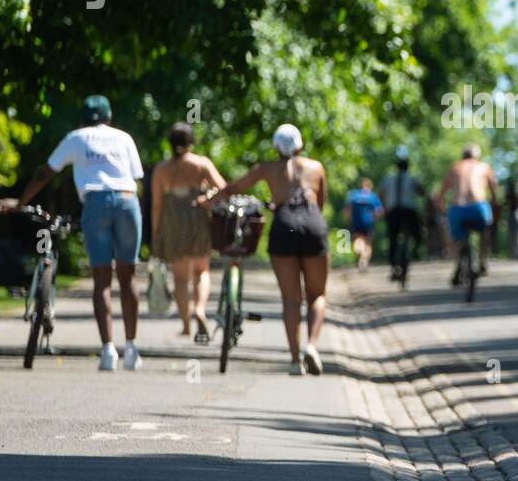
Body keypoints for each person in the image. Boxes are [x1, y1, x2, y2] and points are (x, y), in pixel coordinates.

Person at [0, 95, 146, 371]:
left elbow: (46, 172)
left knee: (102, 279)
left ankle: (108, 352)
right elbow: (136, 177)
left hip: (96, 203)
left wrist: (20, 202)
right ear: (109, 118)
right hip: (127, 200)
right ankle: (132, 348)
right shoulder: (124, 138)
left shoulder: (76, 138)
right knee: (128, 277)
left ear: (83, 119)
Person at [200, 124, 329, 376]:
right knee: (317, 295)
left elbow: (234, 188)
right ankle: (312, 346)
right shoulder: (317, 167)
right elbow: (320, 202)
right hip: (313, 225)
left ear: (275, 147)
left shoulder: (267, 168)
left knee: (291, 298)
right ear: (300, 145)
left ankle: (294, 360)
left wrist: (209, 201)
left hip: (284, 226)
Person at [151, 122, 226, 343]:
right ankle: (200, 310)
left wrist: (156, 233)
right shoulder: (201, 164)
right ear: (191, 142)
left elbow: (156, 204)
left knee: (180, 276)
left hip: (173, 222)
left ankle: (185, 325)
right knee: (201, 271)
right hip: (198, 217)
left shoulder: (162, 170)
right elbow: (224, 188)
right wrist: (208, 199)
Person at [434, 144, 499, 283]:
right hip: (478, 207)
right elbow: (494, 192)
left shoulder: (454, 167)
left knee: (452, 236)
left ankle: (457, 262)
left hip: (457, 209)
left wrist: (442, 207)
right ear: (477, 156)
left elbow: (440, 194)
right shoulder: (484, 167)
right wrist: (493, 204)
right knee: (486, 230)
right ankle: (482, 260)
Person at [381, 146, 424, 279]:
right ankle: (416, 248)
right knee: (418, 231)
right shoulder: (412, 178)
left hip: (393, 211)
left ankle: (394, 264)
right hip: (408, 211)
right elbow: (421, 192)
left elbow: (380, 194)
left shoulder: (388, 179)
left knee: (392, 238)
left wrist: (385, 206)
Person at [343, 178, 383, 271]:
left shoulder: (353, 195)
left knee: (357, 240)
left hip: (356, 222)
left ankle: (361, 254)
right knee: (368, 243)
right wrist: (374, 218)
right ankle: (364, 259)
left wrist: (348, 218)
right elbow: (379, 211)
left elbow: (347, 209)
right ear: (369, 186)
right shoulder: (372, 196)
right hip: (368, 222)